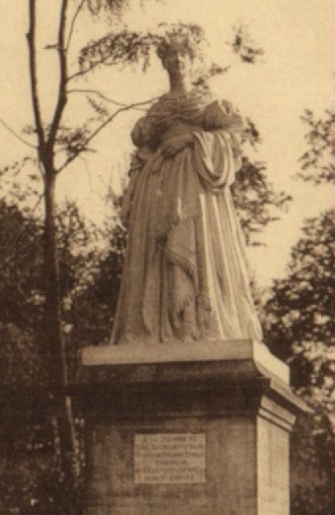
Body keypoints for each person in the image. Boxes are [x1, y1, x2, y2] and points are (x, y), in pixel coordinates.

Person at [110, 33, 263, 344]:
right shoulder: (156, 111)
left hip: (195, 183)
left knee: (193, 244)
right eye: (171, 56)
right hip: (159, 187)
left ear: (194, 62)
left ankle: (194, 323)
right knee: (158, 253)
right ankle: (163, 324)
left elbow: (233, 137)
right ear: (164, 63)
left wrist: (192, 140)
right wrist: (131, 194)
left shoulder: (208, 104)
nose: (177, 60)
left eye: (184, 55)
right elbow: (141, 154)